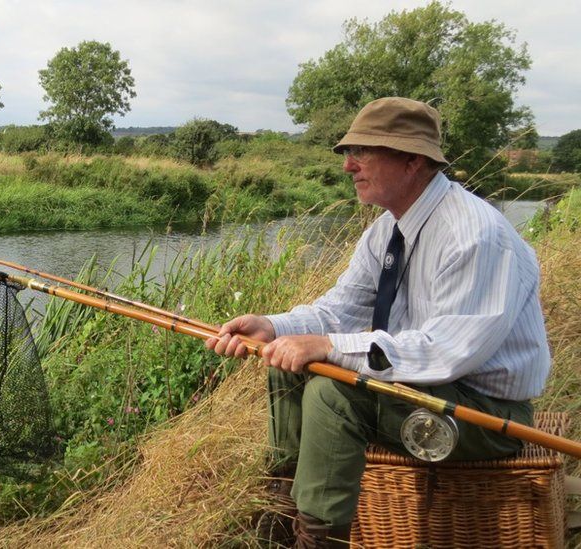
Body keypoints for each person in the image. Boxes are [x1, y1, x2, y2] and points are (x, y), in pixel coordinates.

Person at [206, 97, 550, 548]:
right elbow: (339, 308)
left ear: (412, 160)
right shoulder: (386, 231)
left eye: (363, 152)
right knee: (286, 367)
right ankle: (281, 514)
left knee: (334, 391)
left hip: (485, 413)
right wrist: (273, 327)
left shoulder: (474, 234)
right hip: (432, 390)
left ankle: (319, 539)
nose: (349, 166)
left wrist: (329, 346)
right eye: (349, 153)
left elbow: (446, 351)